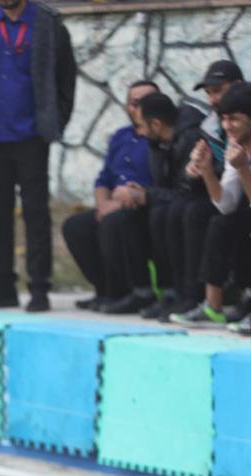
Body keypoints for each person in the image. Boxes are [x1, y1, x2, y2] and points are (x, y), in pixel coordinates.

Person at [0, 0, 76, 312]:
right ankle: (3, 286)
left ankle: (39, 287)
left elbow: (66, 79)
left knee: (36, 214)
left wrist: (55, 122)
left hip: (32, 136)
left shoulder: (49, 25)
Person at [61, 81, 158, 314]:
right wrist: (103, 204)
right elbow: (104, 178)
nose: (138, 108)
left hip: (141, 206)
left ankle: (133, 292)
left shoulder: (158, 138)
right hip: (113, 205)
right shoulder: (120, 136)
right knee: (75, 226)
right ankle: (105, 290)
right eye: (133, 103)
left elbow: (160, 182)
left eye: (144, 102)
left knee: (114, 223)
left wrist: (123, 201)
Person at [167, 61, 245, 326]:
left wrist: (242, 168)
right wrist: (205, 171)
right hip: (240, 203)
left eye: (233, 119)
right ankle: (207, 303)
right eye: (225, 119)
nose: (228, 126)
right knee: (217, 220)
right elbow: (226, 203)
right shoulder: (227, 135)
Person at [118, 93, 206, 322]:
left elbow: (187, 189)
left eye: (141, 125)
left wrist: (147, 195)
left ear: (156, 124)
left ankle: (189, 294)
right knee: (134, 214)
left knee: (171, 212)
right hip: (178, 201)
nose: (139, 132)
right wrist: (144, 194)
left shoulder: (190, 137)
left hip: (200, 200)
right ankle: (162, 293)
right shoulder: (158, 142)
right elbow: (162, 185)